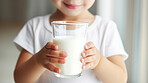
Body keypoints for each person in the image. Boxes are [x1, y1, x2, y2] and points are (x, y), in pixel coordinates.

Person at [13, 0, 128, 83]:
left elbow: (120, 79)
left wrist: (99, 62)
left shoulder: (106, 28)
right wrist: (38, 61)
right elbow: (20, 79)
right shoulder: (35, 27)